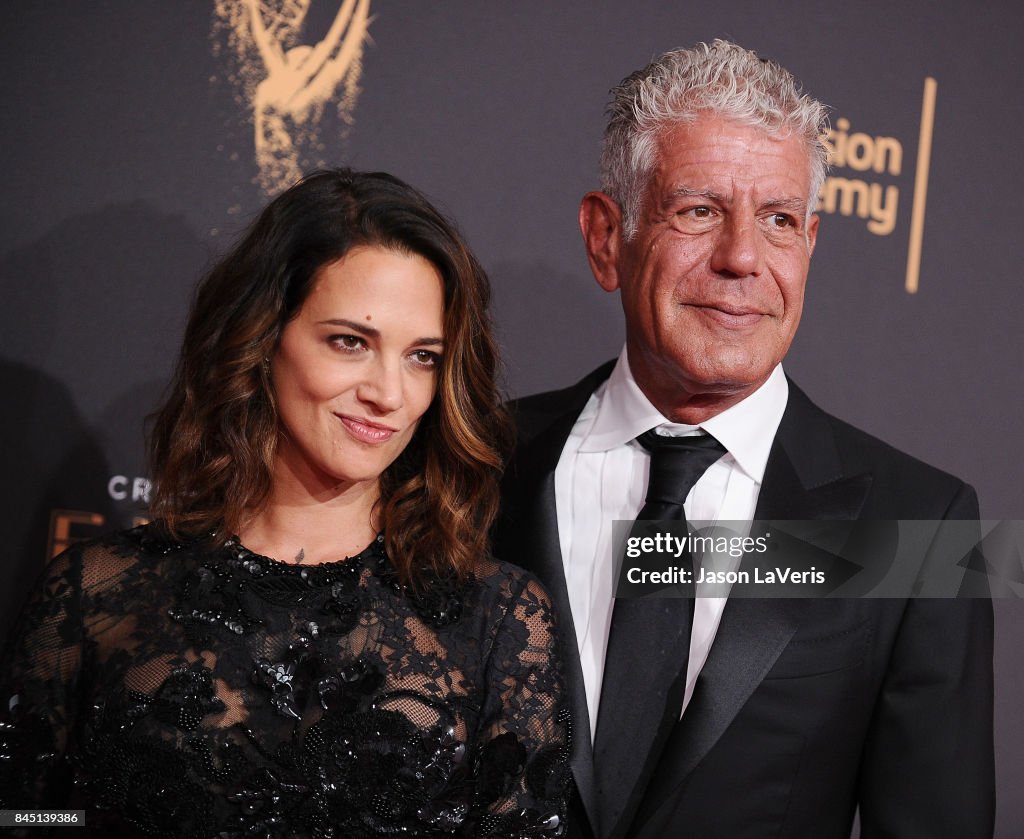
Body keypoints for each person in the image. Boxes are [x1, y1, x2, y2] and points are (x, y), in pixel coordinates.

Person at [495, 41, 993, 838]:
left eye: (779, 221)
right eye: (698, 210)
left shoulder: (922, 524)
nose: (741, 259)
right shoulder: (472, 462)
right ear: (604, 236)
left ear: (811, 244)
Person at [0, 168, 570, 837]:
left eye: (422, 357)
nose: (389, 392)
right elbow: (25, 811)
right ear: (263, 338)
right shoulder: (97, 594)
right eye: (351, 342)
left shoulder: (498, 617)